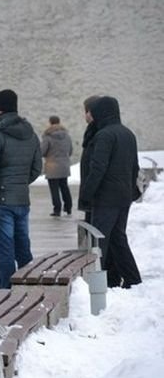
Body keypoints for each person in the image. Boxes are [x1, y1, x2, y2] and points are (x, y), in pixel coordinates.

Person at [0, 89, 42, 290]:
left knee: (5, 251)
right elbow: (36, 169)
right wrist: (19, 184)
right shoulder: (31, 135)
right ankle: (27, 289)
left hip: (0, 201)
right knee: (23, 249)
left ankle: (5, 293)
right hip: (21, 200)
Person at [80, 96, 142, 289]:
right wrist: (131, 191)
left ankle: (97, 286)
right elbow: (134, 167)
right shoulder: (128, 134)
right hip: (123, 196)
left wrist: (86, 194)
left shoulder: (104, 135)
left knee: (100, 242)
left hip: (106, 197)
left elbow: (98, 168)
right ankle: (133, 280)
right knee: (117, 238)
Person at [41, 115, 73, 216]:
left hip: (52, 167)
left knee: (54, 189)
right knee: (64, 186)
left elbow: (42, 151)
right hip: (64, 166)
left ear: (50, 122)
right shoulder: (67, 136)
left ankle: (57, 209)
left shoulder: (48, 136)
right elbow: (70, 150)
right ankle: (68, 207)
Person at [77, 95, 102, 223]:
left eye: (87, 111)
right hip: (91, 193)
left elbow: (98, 166)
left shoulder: (99, 133)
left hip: (97, 195)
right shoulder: (91, 131)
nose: (85, 115)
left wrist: (87, 193)